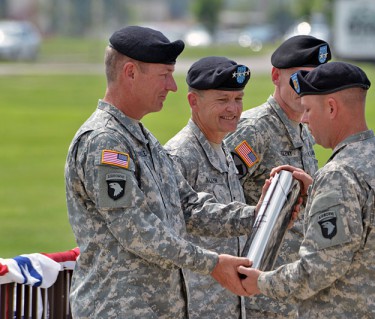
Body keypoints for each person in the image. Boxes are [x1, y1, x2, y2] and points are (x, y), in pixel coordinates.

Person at [64, 26, 258, 318]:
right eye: (164, 75)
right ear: (130, 73)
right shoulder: (104, 142)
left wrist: (261, 215)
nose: (173, 86)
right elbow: (137, 231)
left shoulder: (142, 139)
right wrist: (212, 263)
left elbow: (190, 209)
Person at [239, 61, 375, 319]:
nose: (304, 118)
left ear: (332, 107)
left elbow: (318, 269)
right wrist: (317, 195)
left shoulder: (339, 175)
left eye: (309, 109)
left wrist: (259, 282)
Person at [224, 35, 331, 318]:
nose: (306, 87)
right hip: (260, 294)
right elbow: (219, 196)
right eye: (298, 78)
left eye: (315, 78)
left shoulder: (303, 128)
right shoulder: (254, 130)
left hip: (291, 289)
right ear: (275, 76)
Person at [164, 56, 251, 319]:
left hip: (232, 304)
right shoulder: (179, 155)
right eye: (222, 100)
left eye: (238, 99)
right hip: (199, 307)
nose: (233, 109)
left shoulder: (224, 147)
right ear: (193, 101)